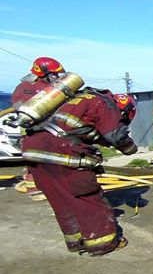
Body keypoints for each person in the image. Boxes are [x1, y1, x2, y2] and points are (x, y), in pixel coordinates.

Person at [22, 89, 138, 255]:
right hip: (60, 149)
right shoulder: (105, 104)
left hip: (33, 148)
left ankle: (75, 241)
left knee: (61, 198)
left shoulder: (76, 99)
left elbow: (86, 132)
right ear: (124, 110)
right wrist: (130, 148)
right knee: (87, 197)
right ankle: (102, 243)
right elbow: (116, 136)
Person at [12, 57, 67, 199]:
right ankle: (34, 186)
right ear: (42, 72)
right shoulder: (27, 87)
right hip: (32, 128)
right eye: (54, 74)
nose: (56, 77)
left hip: (52, 126)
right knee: (35, 158)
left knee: (55, 156)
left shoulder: (55, 86)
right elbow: (20, 105)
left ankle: (56, 185)